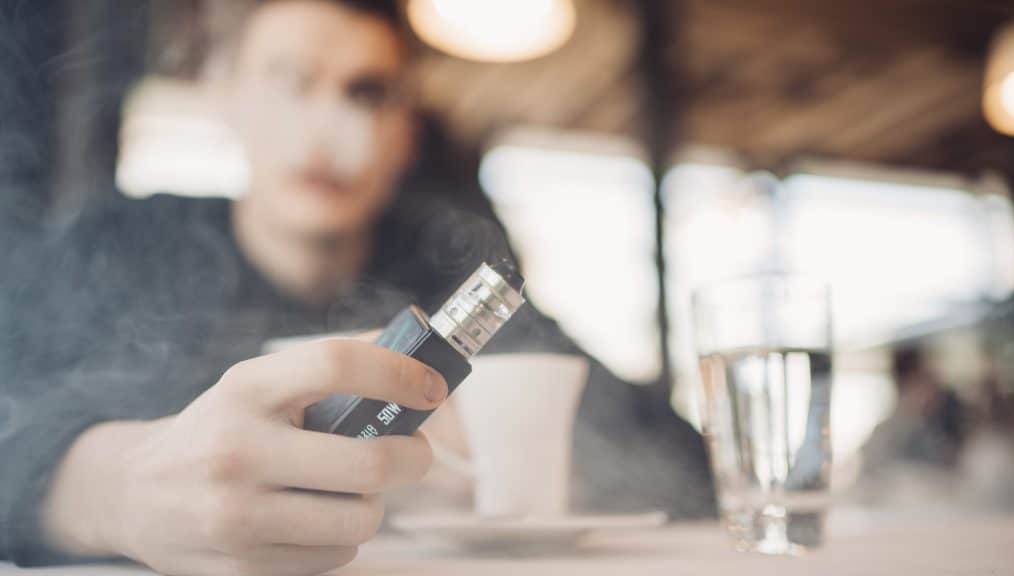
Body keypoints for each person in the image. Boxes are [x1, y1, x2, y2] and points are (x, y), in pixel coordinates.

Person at [0, 0, 715, 573]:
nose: (327, 126)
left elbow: (680, 461)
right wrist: (109, 489)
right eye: (290, 80)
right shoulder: (119, 245)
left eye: (366, 93)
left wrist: (532, 464)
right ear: (226, 96)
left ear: (404, 132)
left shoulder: (455, 275)